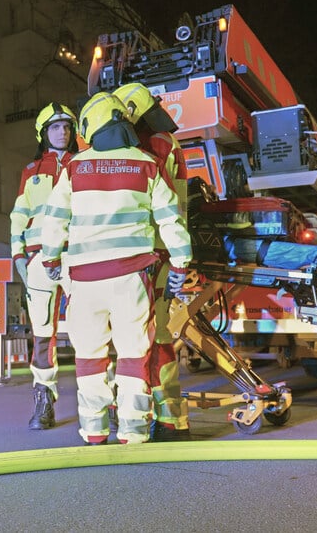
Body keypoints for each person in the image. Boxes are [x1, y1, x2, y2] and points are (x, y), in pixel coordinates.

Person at [39, 92, 192, 445]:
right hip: (133, 277)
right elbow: (172, 220)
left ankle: (94, 431)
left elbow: (54, 221)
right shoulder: (148, 162)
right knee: (134, 355)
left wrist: (50, 260)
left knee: (90, 357)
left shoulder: (74, 167)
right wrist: (182, 264)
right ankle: (134, 431)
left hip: (85, 281)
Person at [114, 82, 192, 441]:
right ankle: (165, 417)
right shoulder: (167, 142)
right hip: (162, 251)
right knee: (150, 336)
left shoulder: (152, 147)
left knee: (151, 337)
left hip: (152, 253)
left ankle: (167, 421)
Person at [9, 102, 79, 430]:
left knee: (94, 330)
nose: (62, 132)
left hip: (77, 255)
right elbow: (19, 214)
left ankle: (106, 401)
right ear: (43, 133)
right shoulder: (31, 170)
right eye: (55, 127)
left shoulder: (85, 163)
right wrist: (18, 256)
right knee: (41, 334)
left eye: (67, 126)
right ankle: (44, 399)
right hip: (38, 259)